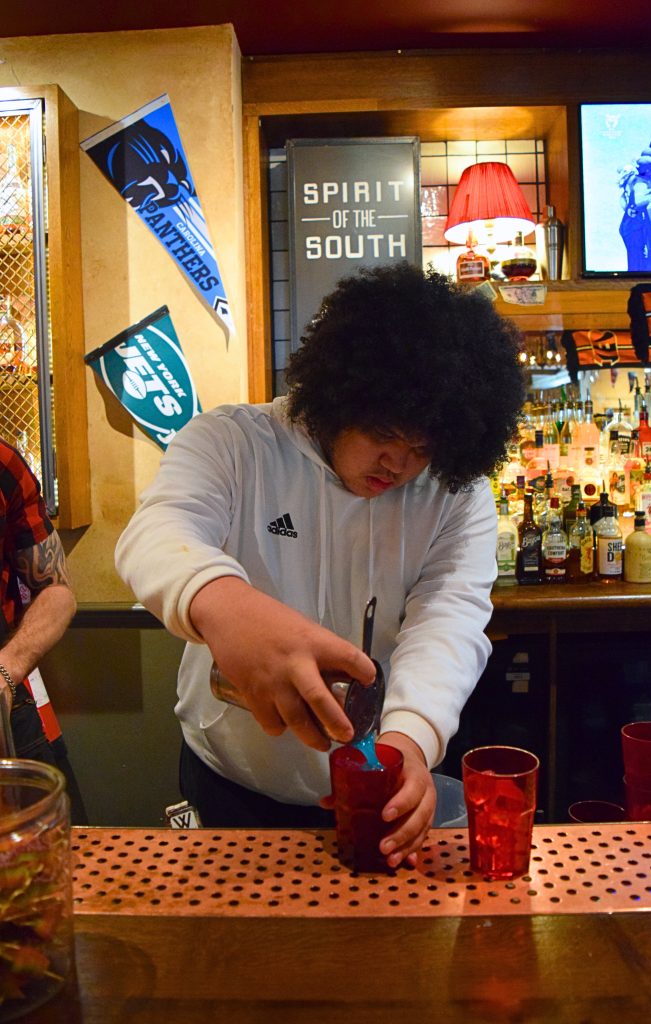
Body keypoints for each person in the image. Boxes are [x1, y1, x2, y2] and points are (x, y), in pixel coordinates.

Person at [115, 262, 526, 868]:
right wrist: (227, 607)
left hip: (377, 785)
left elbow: (449, 617)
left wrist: (413, 738)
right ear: (341, 393)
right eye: (384, 433)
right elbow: (155, 532)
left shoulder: (455, 495)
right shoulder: (233, 444)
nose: (399, 463)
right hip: (233, 783)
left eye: (422, 447)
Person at [0, 436, 87, 823]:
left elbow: (57, 590)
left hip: (5, 700)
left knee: (61, 857)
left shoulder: (3, 463)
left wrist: (8, 668)